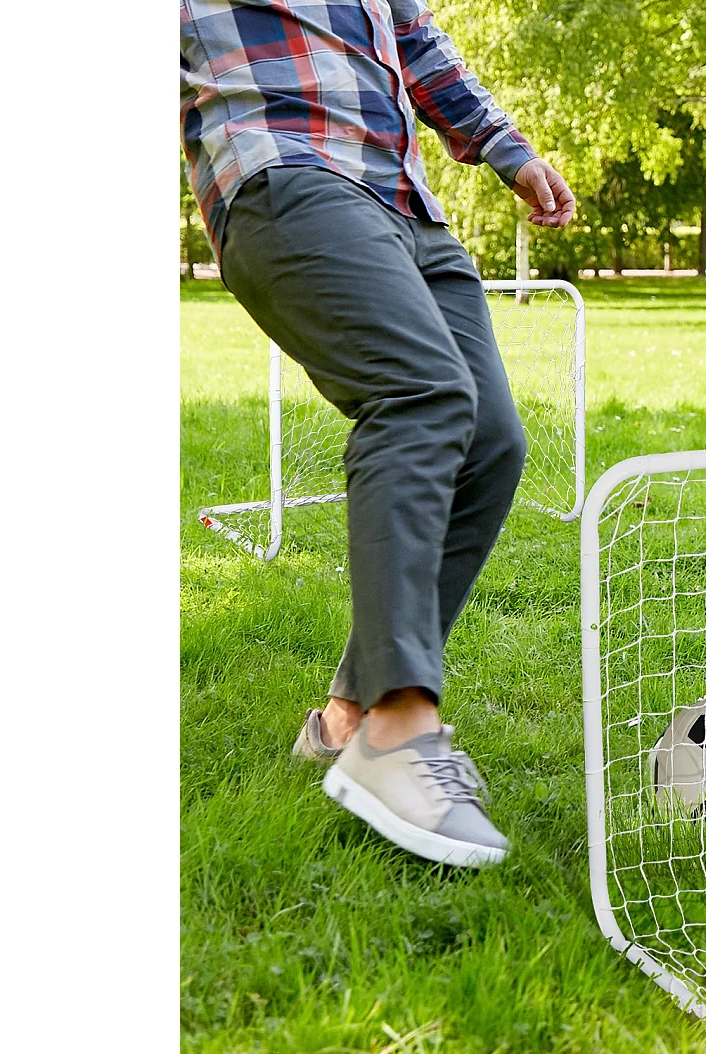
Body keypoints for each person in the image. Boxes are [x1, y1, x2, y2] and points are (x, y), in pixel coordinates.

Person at [180, 0, 576, 866]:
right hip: (284, 169)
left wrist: (510, 153)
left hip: (404, 201)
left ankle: (345, 722)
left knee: (492, 440)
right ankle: (399, 725)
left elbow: (419, 43)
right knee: (422, 393)